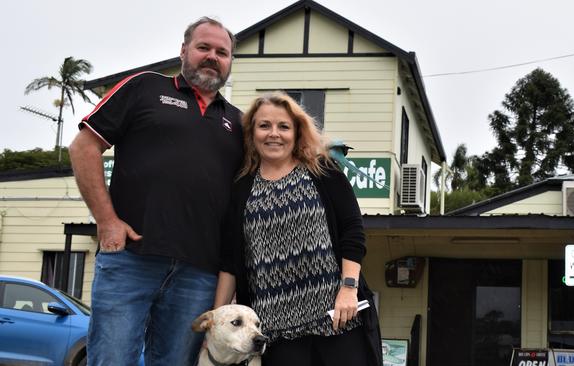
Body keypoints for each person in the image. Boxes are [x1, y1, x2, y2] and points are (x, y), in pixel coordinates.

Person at [68, 17, 243, 365]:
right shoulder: (145, 87)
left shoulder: (238, 122)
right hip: (131, 260)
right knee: (112, 360)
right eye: (203, 47)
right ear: (183, 51)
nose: (212, 56)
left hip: (199, 273)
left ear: (230, 62)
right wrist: (107, 221)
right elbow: (83, 148)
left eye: (222, 52)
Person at [214, 92, 382, 366]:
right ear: (252, 133)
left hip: (337, 320)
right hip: (274, 334)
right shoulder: (242, 188)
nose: (274, 134)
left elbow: (353, 231)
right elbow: (230, 261)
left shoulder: (323, 172)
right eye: (264, 125)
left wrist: (349, 288)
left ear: (297, 132)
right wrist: (218, 317)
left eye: (283, 126)